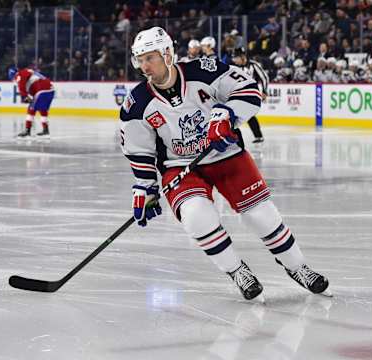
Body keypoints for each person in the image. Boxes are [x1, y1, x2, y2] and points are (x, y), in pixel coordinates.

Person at [120, 27, 330, 301]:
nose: (144, 66)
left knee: (261, 215)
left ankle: (297, 267)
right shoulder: (136, 103)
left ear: (167, 54)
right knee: (196, 216)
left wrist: (226, 115)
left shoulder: (203, 70)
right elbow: (139, 149)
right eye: (140, 60)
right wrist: (145, 187)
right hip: (180, 165)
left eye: (150, 58)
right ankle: (236, 270)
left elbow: (249, 90)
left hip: (225, 153)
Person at [231, 46, 268, 143]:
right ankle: (255, 136)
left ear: (243, 57)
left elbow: (264, 78)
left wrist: (264, 91)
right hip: (236, 95)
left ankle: (236, 138)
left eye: (236, 57)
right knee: (238, 116)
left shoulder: (253, 65)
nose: (234, 60)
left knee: (248, 115)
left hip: (250, 94)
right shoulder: (233, 67)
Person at [8, 66, 55, 138]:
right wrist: (28, 97)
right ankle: (45, 130)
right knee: (42, 110)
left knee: (31, 109)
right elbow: (33, 86)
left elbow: (21, 86)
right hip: (50, 90)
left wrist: (24, 96)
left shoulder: (19, 74)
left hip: (42, 90)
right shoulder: (27, 72)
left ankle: (27, 131)